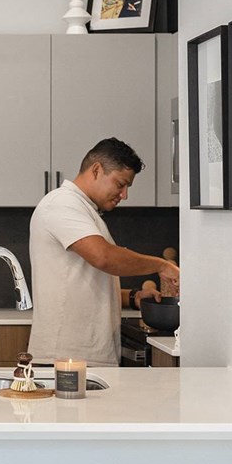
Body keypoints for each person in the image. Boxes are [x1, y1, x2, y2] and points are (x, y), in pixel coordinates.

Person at [27, 137, 180, 367]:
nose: (124, 195)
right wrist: (162, 265)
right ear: (96, 170)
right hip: (65, 359)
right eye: (120, 184)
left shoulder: (84, 209)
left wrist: (133, 297)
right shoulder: (61, 204)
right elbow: (104, 257)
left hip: (81, 358)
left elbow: (81, 281)